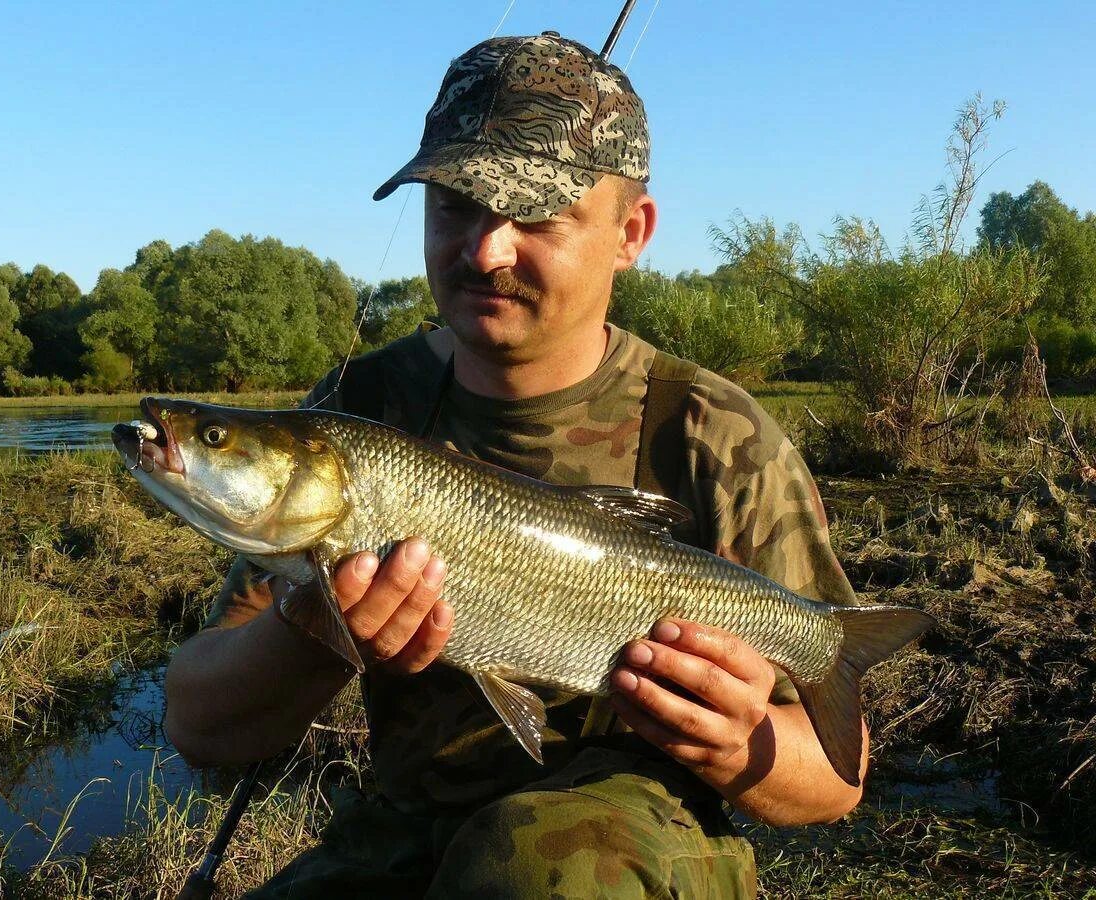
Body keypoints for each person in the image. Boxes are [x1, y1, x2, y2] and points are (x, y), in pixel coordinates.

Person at [164, 33, 865, 898]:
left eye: (535, 215)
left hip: (636, 845)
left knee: (534, 864)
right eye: (454, 206)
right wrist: (316, 632)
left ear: (630, 232)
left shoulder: (718, 435)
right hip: (412, 823)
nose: (486, 251)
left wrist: (735, 738)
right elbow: (200, 724)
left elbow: (838, 783)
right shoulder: (355, 413)